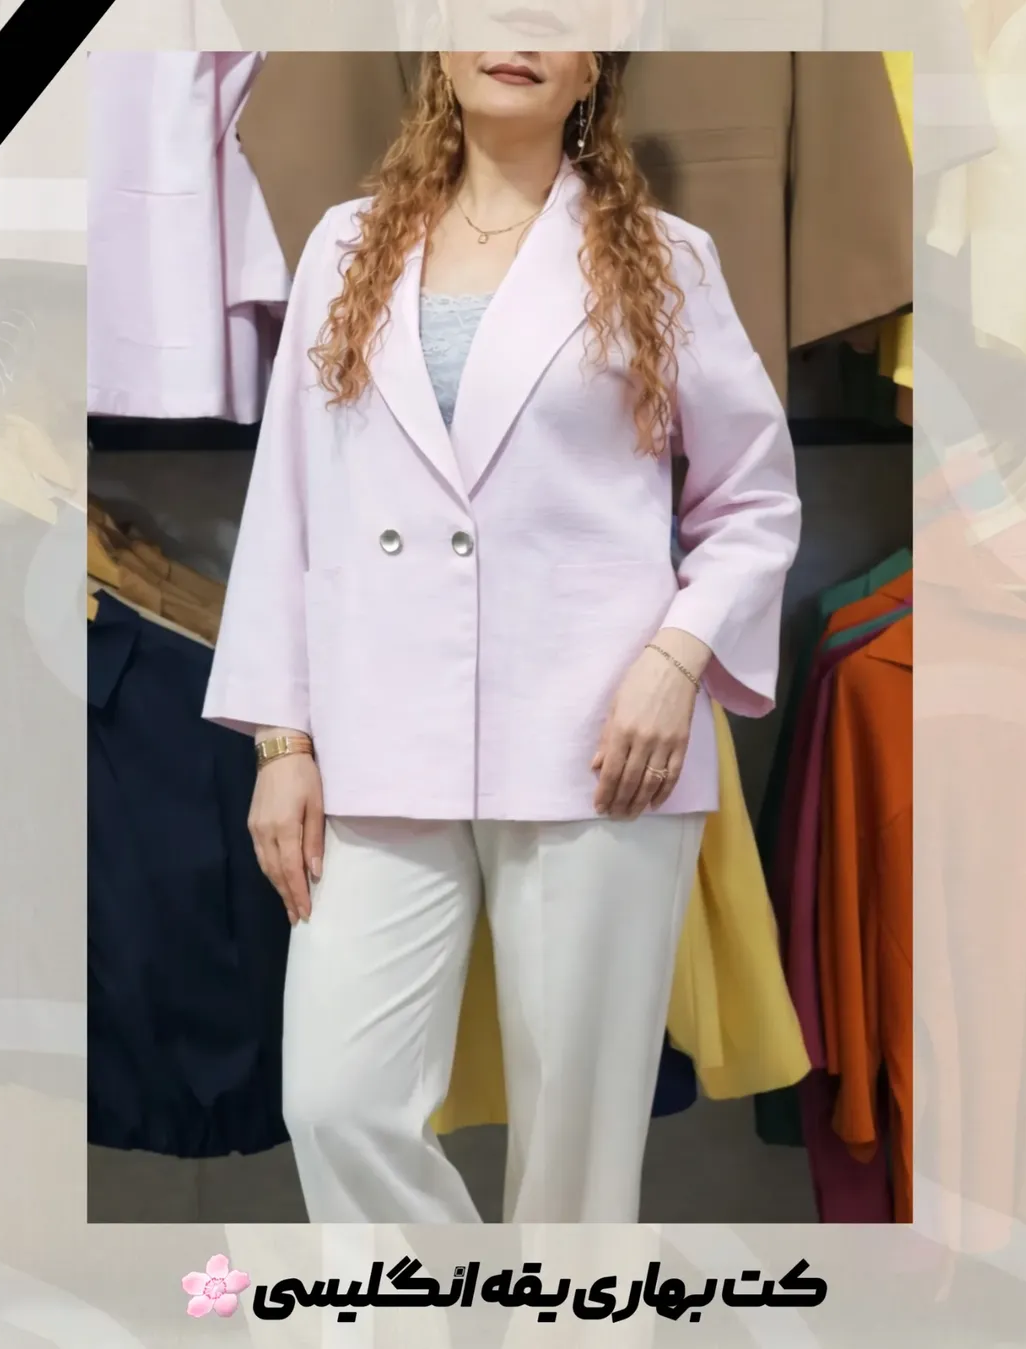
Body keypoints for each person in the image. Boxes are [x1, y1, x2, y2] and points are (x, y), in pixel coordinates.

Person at [203, 50, 801, 1223]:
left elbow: (753, 501)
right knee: (335, 1100)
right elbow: (288, 507)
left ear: (593, 65)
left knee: (576, 1159)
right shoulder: (343, 248)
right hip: (380, 736)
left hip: (600, 741)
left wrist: (675, 658)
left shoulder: (667, 258)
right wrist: (282, 738)